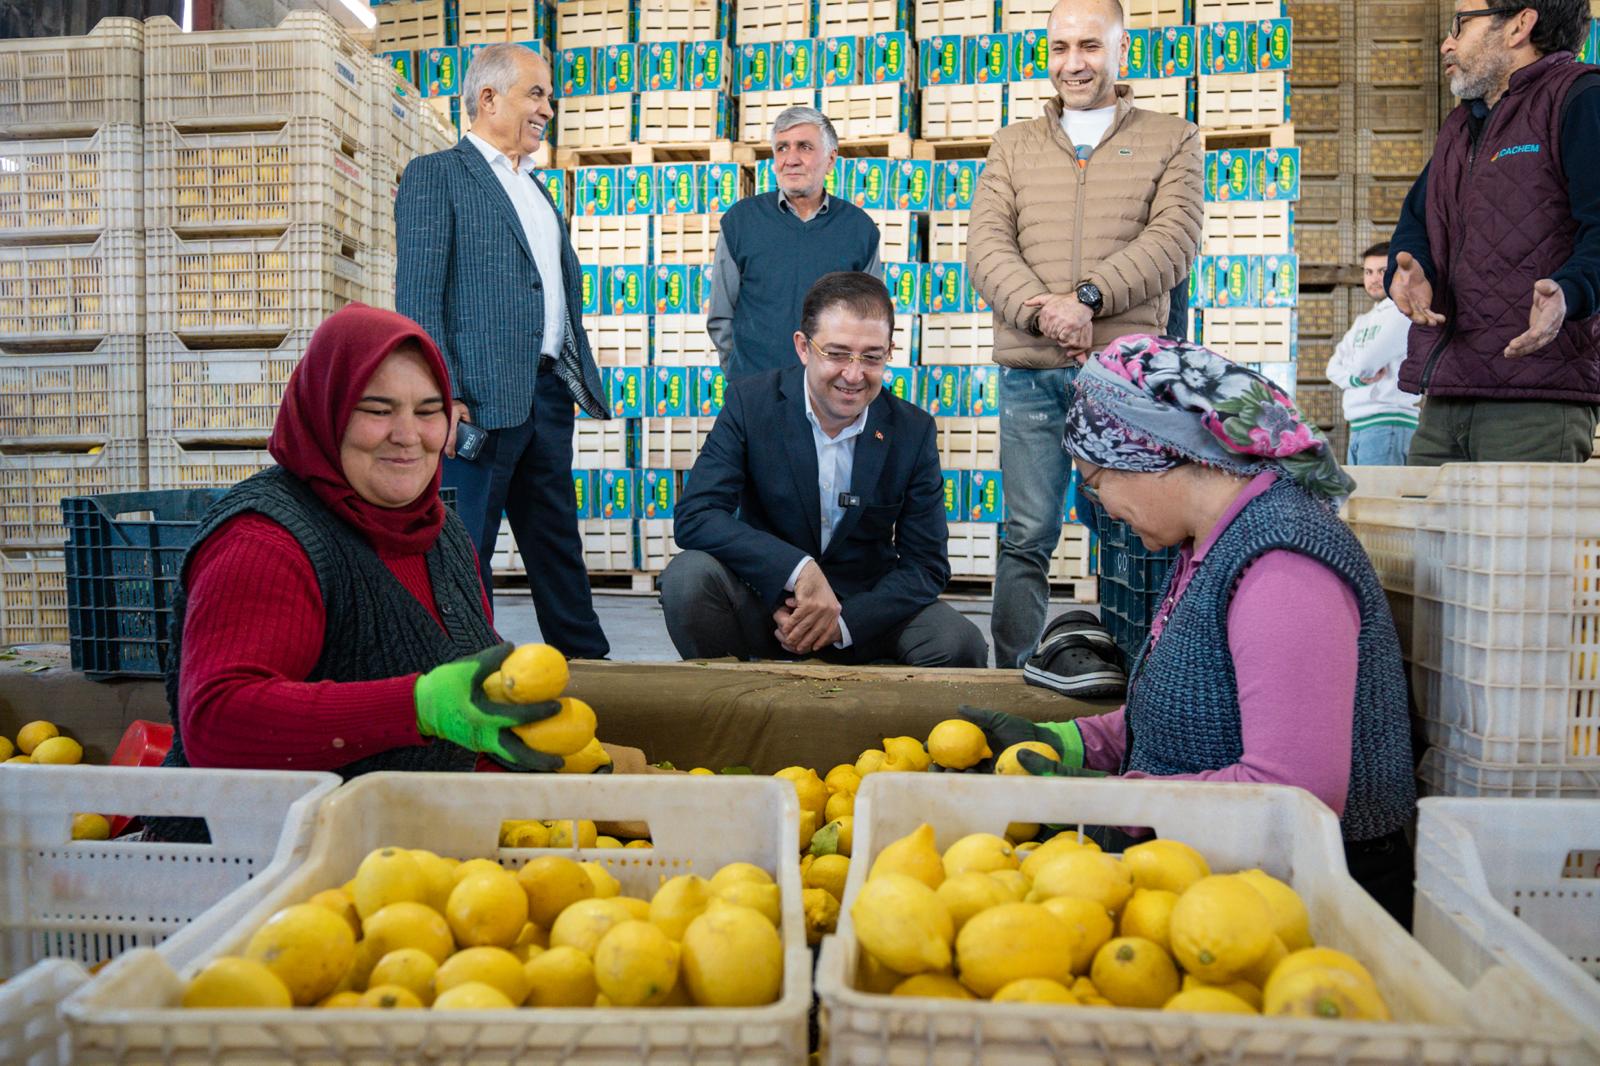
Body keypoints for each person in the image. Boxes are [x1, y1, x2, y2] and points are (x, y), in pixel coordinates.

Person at [957, 335, 1418, 925]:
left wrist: (1113, 802)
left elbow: (1295, 795)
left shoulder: (1283, 563)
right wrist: (1067, 744)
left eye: (1094, 485)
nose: (1096, 509)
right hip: (1214, 878)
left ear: (1150, 454)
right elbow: (1184, 712)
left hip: (1302, 904)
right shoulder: (1211, 541)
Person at [147, 307, 576, 840]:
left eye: (428, 410)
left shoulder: (442, 535)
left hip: (405, 858)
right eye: (377, 409)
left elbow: (467, 706)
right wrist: (414, 706)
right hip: (259, 865)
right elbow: (219, 723)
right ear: (326, 411)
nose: (407, 434)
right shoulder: (264, 541)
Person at [968, 0, 1203, 669]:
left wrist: (1088, 301)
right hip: (1031, 371)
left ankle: (1140, 675)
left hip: (1124, 375)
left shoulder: (1172, 138)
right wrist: (1047, 314)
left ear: (1122, 51)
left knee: (1134, 531)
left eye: (1091, 46)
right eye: (1061, 48)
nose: (1074, 63)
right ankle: (1012, 678)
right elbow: (985, 245)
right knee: (1025, 534)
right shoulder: (1013, 143)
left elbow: (1175, 240)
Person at [396, 42, 610, 658]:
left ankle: (590, 664)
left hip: (545, 395)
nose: (549, 105)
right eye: (535, 93)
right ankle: (469, 663)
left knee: (556, 543)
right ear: (488, 98)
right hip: (477, 402)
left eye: (549, 94)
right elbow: (418, 296)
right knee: (468, 544)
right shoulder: (437, 176)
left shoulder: (539, 192)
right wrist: (443, 395)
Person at [662, 272, 988, 667]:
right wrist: (798, 570)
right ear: (803, 347)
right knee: (688, 578)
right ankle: (732, 707)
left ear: (890, 351)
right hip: (769, 602)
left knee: (958, 643)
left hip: (863, 613)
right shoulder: (752, 404)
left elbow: (926, 565)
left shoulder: (911, 430)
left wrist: (842, 623)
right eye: (837, 353)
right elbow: (697, 516)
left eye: (872, 356)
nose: (854, 375)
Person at [1387, 0, 1600, 464]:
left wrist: (1571, 291)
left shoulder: (1581, 98)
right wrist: (1408, 270)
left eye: (1461, 24)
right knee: (1425, 536)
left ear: (1520, 25)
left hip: (1536, 402)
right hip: (1445, 395)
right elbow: (1416, 223)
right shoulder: (1462, 125)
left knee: (1516, 540)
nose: (1447, 43)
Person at [708, 107, 883, 381]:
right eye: (781, 148)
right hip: (756, 389)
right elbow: (721, 315)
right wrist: (741, 376)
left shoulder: (859, 229)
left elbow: (872, 320)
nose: (791, 159)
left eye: (804, 147)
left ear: (831, 159)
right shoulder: (740, 222)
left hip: (831, 395)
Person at [1327, 242, 1420, 465]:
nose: (1374, 279)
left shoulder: (1403, 313)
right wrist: (1354, 377)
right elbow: (1332, 368)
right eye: (1368, 272)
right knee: (1364, 498)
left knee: (1381, 499)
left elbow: (1364, 363)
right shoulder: (1364, 321)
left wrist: (1353, 370)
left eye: (1382, 271)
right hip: (1360, 425)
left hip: (1390, 422)